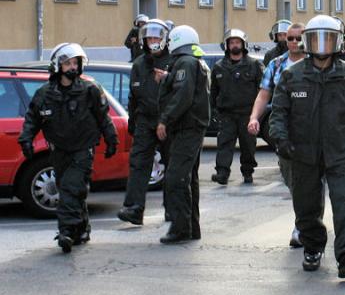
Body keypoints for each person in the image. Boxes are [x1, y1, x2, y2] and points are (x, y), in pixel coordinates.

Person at [269, 15, 345, 277]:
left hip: (340, 150)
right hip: (303, 152)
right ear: (307, 41)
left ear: (338, 42)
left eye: (329, 38)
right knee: (306, 205)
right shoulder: (292, 75)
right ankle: (313, 246)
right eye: (317, 38)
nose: (323, 45)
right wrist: (280, 139)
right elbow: (279, 111)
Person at [18, 43, 118, 253]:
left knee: (70, 188)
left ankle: (66, 232)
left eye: (75, 63)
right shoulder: (44, 93)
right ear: (57, 66)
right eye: (67, 63)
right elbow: (32, 118)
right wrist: (25, 140)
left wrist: (111, 139)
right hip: (59, 150)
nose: (72, 67)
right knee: (71, 189)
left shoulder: (90, 89)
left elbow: (104, 117)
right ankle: (82, 229)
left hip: (83, 148)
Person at [248, 23, 307, 248]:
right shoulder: (276, 64)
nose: (293, 42)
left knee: (312, 179)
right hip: (283, 130)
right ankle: (305, 219)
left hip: (309, 129)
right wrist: (254, 117)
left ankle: (303, 226)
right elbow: (264, 95)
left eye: (298, 38)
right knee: (291, 178)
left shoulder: (314, 63)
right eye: (290, 38)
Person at [157, 25, 210, 244]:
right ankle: (191, 227)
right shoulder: (191, 62)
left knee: (176, 178)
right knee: (189, 179)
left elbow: (183, 96)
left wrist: (164, 120)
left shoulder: (186, 63)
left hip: (187, 128)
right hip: (191, 127)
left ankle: (180, 229)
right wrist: (169, 77)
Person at [118, 19, 172, 226]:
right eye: (149, 38)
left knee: (172, 166)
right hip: (144, 121)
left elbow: (180, 94)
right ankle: (134, 208)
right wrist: (133, 121)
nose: (153, 41)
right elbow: (133, 95)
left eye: (156, 37)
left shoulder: (173, 61)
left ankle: (172, 209)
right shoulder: (140, 64)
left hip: (168, 121)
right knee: (139, 163)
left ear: (164, 39)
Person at [210, 29, 264, 185]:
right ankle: (222, 173)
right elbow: (214, 90)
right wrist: (212, 109)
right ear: (227, 45)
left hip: (247, 113)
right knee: (224, 144)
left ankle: (247, 172)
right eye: (231, 42)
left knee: (248, 145)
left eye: (237, 42)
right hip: (226, 114)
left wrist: (256, 113)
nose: (234, 45)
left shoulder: (253, 65)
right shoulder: (219, 67)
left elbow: (262, 90)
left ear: (243, 44)